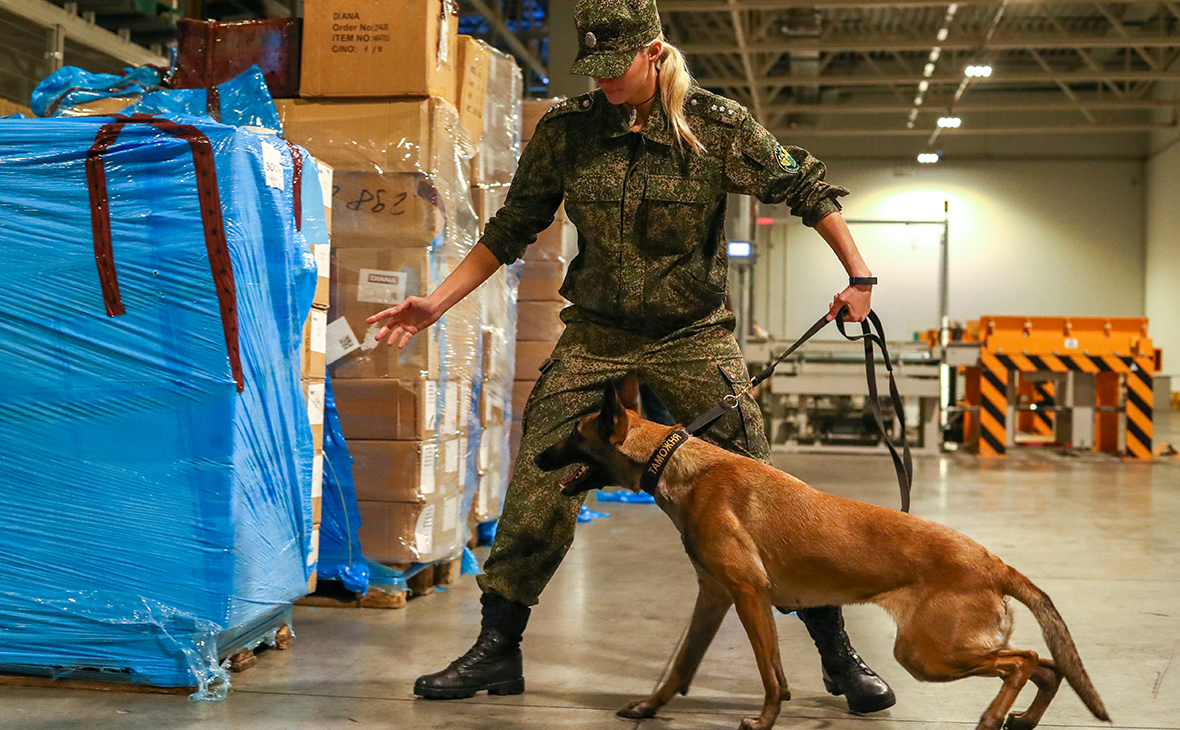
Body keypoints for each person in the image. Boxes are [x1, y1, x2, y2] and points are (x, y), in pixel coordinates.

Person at [367, 0, 895, 715]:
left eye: (616, 67)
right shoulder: (569, 129)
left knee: (764, 491)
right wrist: (437, 301)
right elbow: (514, 226)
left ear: (653, 52)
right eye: (595, 68)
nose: (605, 81)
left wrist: (859, 277)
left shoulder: (717, 125)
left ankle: (836, 652)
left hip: (693, 333)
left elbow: (806, 187)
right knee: (538, 480)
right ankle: (498, 651)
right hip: (597, 332)